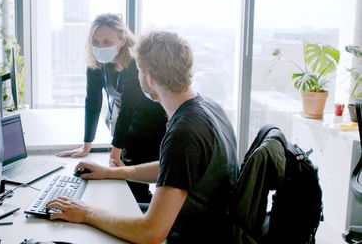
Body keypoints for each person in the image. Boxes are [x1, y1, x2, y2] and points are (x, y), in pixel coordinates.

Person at [47, 31, 239, 243]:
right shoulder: (208, 108)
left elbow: (150, 233)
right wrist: (111, 173)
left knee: (84, 227)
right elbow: (174, 168)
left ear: (148, 77)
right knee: (107, 209)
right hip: (211, 226)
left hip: (190, 235)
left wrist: (86, 213)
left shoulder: (185, 132)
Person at [57, 13, 167, 203]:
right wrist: (86, 144)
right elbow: (92, 100)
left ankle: (145, 213)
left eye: (107, 41)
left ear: (122, 39)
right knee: (126, 183)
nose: (100, 46)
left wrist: (115, 153)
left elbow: (128, 107)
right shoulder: (96, 61)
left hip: (151, 125)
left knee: (132, 186)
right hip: (127, 128)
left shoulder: (134, 62)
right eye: (96, 41)